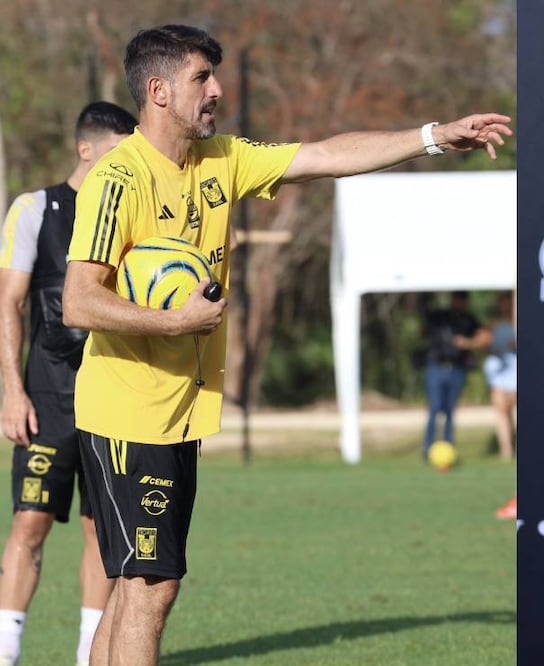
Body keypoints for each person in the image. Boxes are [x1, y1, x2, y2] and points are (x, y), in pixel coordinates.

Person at [60, 24, 511, 666]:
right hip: (126, 416)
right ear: (158, 91)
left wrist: (433, 137)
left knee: (140, 588)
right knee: (151, 589)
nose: (216, 89)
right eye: (201, 78)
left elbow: (325, 155)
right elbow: (77, 299)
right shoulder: (119, 180)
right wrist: (172, 323)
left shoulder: (222, 158)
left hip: (174, 414)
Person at [0, 101, 136, 666]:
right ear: (86, 149)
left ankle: (88, 656)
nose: (128, 164)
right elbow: (9, 303)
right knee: (29, 525)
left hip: (112, 399)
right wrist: (12, 391)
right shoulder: (35, 208)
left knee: (98, 531)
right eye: (118, 152)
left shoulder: (132, 212)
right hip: (47, 398)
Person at [420, 291, 487, 458]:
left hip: (456, 368)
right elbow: (423, 323)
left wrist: (468, 343)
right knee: (435, 407)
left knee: (450, 410)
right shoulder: (439, 316)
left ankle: (448, 446)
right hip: (436, 365)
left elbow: (485, 336)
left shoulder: (468, 319)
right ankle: (428, 447)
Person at [483, 292, 517, 461]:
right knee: (501, 408)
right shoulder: (492, 324)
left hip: (514, 368)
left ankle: (512, 443)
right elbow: (483, 342)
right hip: (498, 370)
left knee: (510, 408)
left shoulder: (518, 320)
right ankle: (506, 448)